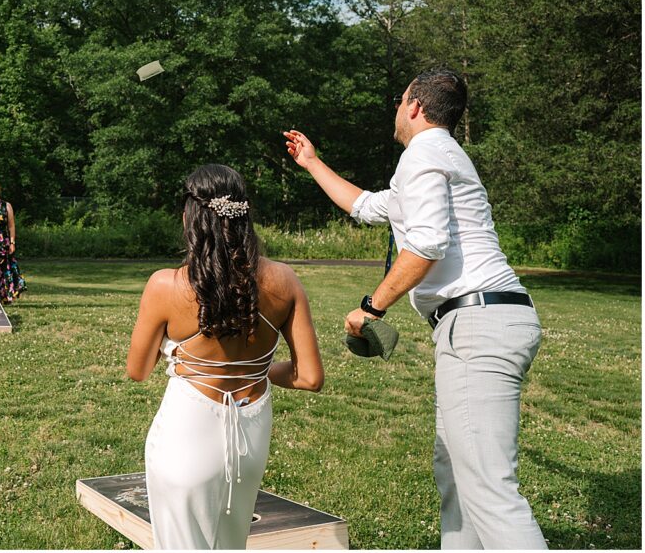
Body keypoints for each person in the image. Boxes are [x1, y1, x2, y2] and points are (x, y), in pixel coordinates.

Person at [283, 68, 547, 549]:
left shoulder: (424, 153)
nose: (396, 109)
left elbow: (426, 244)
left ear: (415, 107)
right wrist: (312, 163)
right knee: (455, 478)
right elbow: (365, 205)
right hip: (480, 322)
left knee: (489, 490)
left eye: (399, 100)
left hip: (477, 323)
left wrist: (372, 307)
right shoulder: (437, 157)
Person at [126, 164, 324, 550]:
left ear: (191, 216)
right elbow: (309, 377)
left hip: (185, 434)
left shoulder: (165, 285)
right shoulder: (284, 280)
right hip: (250, 435)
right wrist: (258, 370)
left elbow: (138, 370)